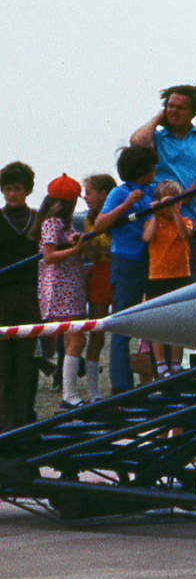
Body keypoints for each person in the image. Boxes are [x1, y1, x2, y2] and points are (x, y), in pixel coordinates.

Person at [130, 84, 196, 281]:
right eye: (170, 106)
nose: (174, 111)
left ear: (193, 112)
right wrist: (158, 118)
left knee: (195, 291)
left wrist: (187, 194)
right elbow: (136, 143)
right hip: (159, 229)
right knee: (163, 294)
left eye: (180, 108)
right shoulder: (157, 138)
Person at [95, 146, 156, 394]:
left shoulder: (153, 189)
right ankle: (121, 389)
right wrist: (126, 205)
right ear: (142, 170)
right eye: (151, 167)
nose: (155, 171)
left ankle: (154, 381)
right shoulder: (119, 193)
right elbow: (101, 224)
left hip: (151, 261)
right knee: (122, 326)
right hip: (127, 262)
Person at [28, 176, 89, 408]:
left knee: (75, 337)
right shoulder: (52, 223)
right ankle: (69, 394)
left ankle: (69, 391)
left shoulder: (63, 223)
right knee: (75, 337)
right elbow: (49, 257)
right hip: (60, 286)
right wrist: (77, 249)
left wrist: (75, 244)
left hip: (70, 284)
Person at [0, 162, 40, 429]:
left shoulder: (39, 219)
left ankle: (25, 421)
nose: (12, 193)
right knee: (3, 363)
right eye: (7, 189)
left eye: (17, 188)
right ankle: (5, 423)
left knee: (28, 360)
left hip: (31, 296)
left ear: (27, 190)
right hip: (2, 296)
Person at [141, 179, 193, 377]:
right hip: (157, 277)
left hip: (180, 276)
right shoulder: (151, 221)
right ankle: (161, 364)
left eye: (177, 200)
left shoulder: (185, 220)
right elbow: (147, 238)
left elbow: (184, 234)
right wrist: (155, 214)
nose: (173, 205)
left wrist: (175, 212)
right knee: (157, 323)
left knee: (178, 322)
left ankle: (176, 363)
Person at [79, 174, 115, 402]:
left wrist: (100, 251)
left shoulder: (116, 215)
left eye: (89, 192)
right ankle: (94, 392)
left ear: (103, 195)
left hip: (118, 270)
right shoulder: (89, 219)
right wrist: (89, 248)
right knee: (97, 334)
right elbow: (94, 253)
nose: (85, 197)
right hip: (100, 274)